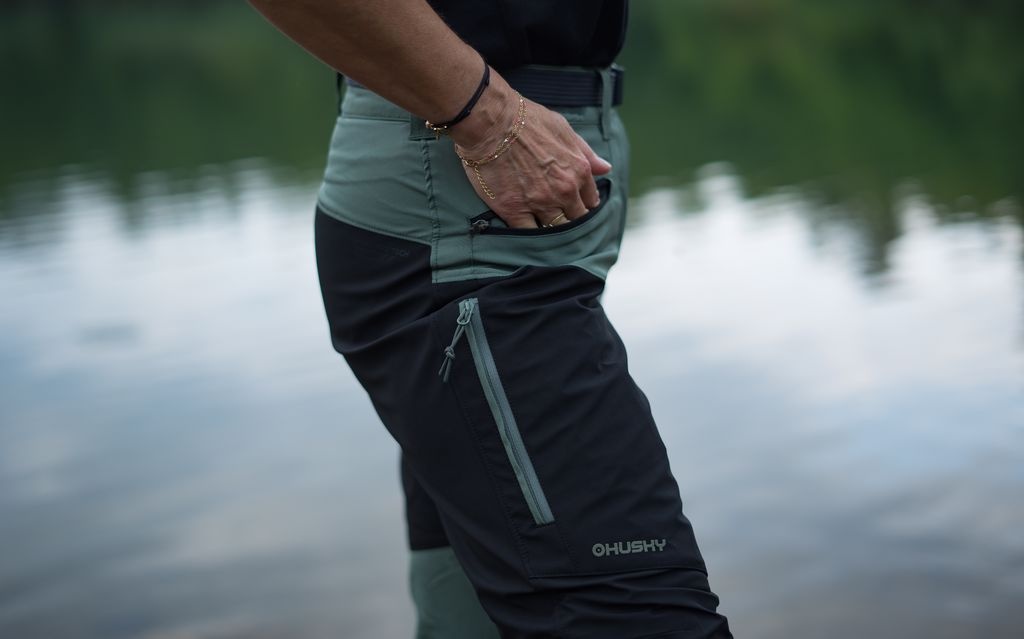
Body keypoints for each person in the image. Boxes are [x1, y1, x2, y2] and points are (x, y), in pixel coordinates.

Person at [247, 1, 733, 637]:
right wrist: (490, 119)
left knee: (470, 613)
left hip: (506, 198)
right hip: (459, 209)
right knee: (636, 614)